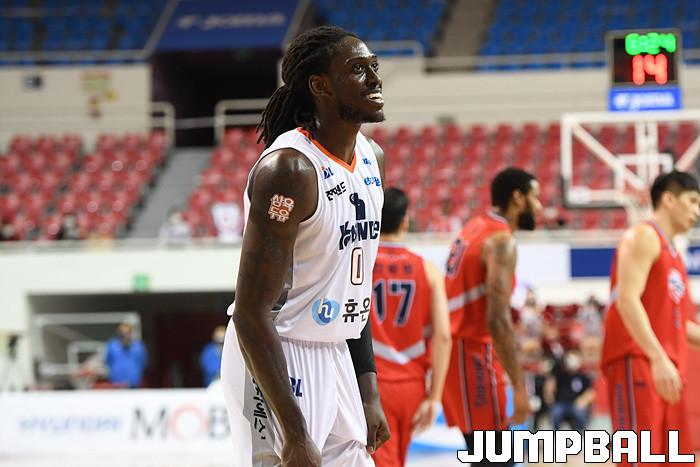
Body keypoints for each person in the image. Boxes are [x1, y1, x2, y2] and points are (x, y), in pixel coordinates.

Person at [220, 26, 389, 467]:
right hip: (275, 352)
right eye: (358, 69)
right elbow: (251, 312)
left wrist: (368, 391)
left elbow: (353, 286)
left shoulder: (372, 158)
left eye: (374, 66)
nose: (375, 78)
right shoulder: (290, 170)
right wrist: (295, 433)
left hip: (334, 350)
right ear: (321, 86)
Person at [442, 167, 542, 467]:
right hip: (472, 352)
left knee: (490, 456)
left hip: (459, 351)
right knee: (495, 459)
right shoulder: (500, 241)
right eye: (535, 198)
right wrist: (520, 387)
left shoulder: (475, 226)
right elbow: (498, 320)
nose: (539, 207)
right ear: (518, 198)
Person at [601, 171, 700, 467]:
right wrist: (658, 358)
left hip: (667, 369)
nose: (697, 211)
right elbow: (627, 300)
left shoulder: (675, 255)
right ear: (669, 200)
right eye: (692, 201)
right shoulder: (644, 236)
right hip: (639, 362)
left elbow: (676, 324)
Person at [369, 188, 452, 467]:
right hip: (412, 385)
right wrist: (435, 397)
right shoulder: (428, 270)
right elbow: (443, 336)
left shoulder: (360, 263)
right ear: (405, 221)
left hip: (371, 383)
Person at [543, 348, 594, 432]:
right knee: (556, 412)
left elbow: (590, 392)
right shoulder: (559, 373)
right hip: (560, 403)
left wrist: (583, 400)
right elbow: (549, 387)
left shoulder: (583, 376)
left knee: (580, 413)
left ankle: (581, 433)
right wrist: (549, 398)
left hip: (576, 404)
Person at [104, 322, 147, 388]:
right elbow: (108, 361)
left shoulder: (139, 347)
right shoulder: (112, 346)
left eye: (127, 333)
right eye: (122, 333)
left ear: (130, 333)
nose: (125, 336)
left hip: (133, 385)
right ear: (118, 334)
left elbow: (142, 363)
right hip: (116, 384)